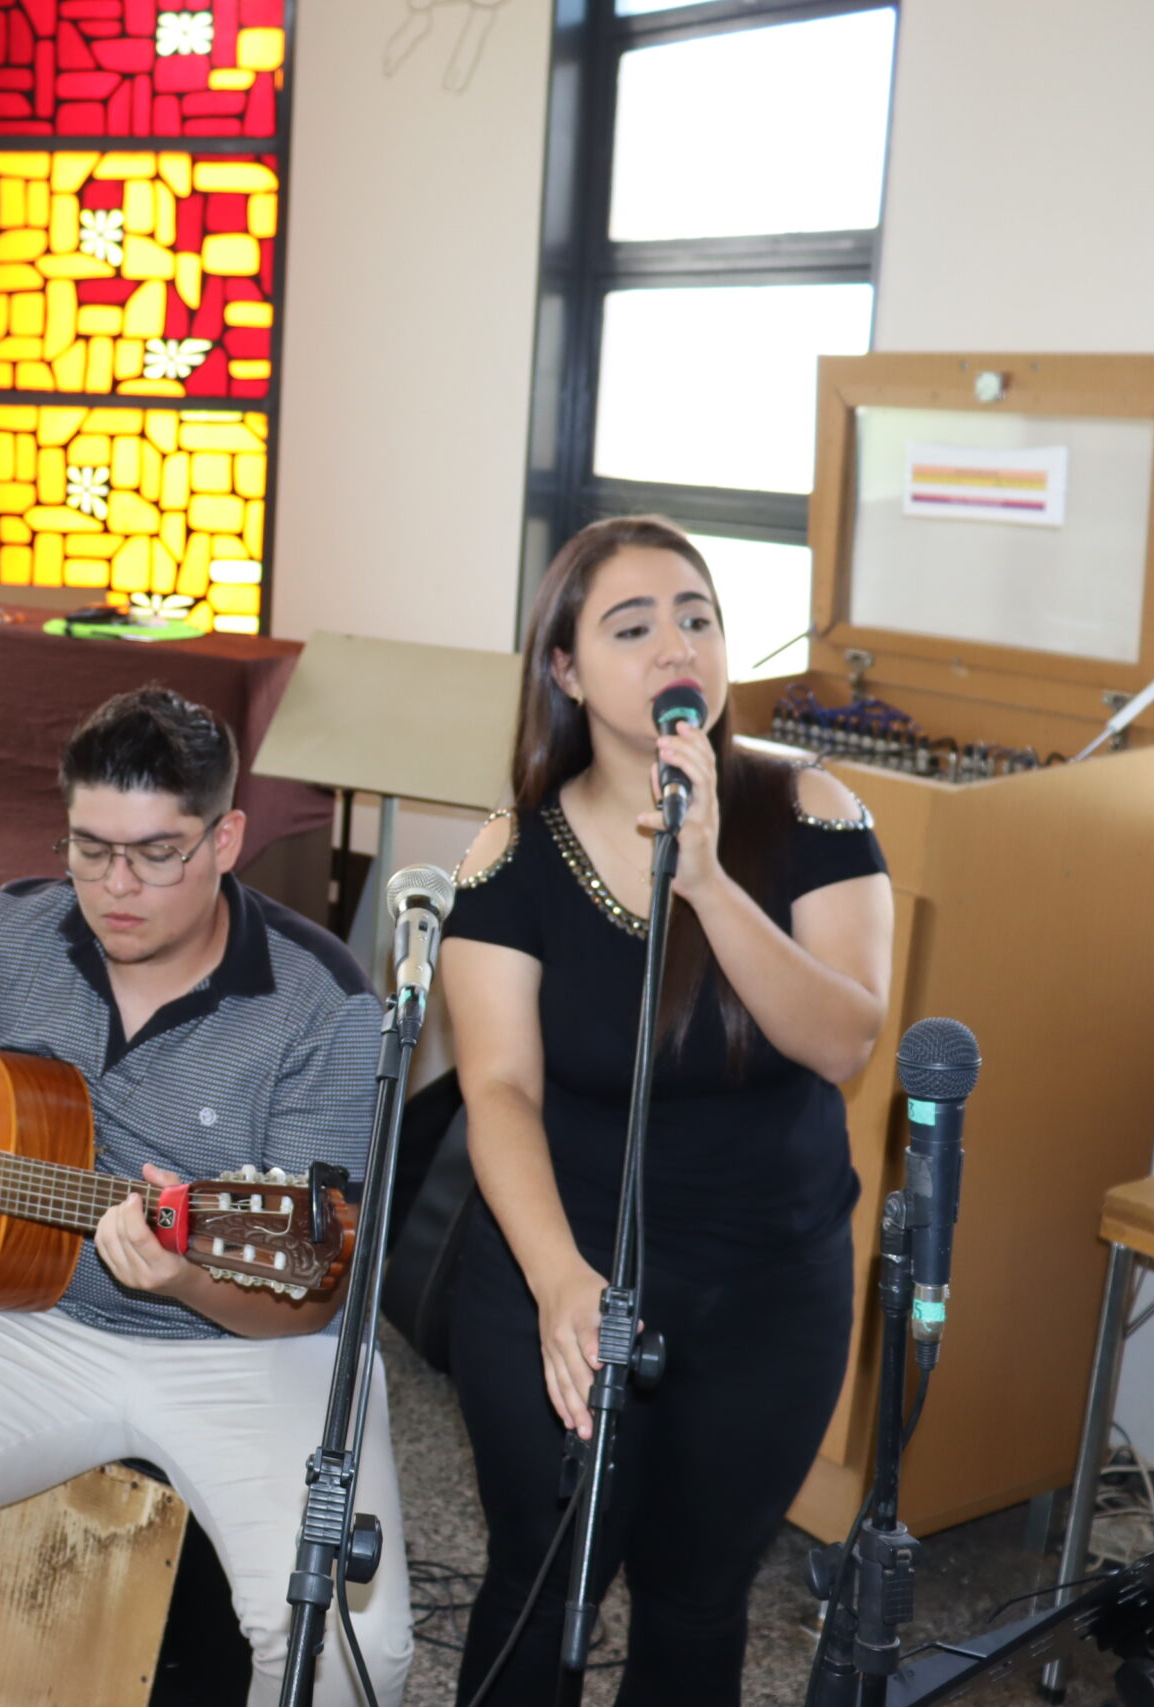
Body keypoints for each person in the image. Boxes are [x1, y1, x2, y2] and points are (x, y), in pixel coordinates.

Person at [0, 685, 415, 1707]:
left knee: (352, 1645)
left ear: (225, 839)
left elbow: (312, 1289)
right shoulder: (12, 932)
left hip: (250, 1346)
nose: (116, 887)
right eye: (90, 848)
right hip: (36, 1318)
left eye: (157, 854)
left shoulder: (323, 1006)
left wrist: (185, 1278)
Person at [438, 516, 894, 1706]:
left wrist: (709, 885)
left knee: (698, 1597)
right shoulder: (510, 853)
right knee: (541, 1581)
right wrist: (557, 1282)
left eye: (697, 618)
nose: (676, 646)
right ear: (565, 669)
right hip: (561, 1269)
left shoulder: (811, 811)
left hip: (765, 1286)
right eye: (631, 627)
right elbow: (498, 1087)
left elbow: (845, 1037)